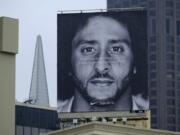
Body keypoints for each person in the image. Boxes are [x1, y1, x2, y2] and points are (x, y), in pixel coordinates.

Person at [58, 14, 149, 112]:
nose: (101, 67)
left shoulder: (156, 122)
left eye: (116, 49)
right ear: (68, 59)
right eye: (88, 49)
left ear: (136, 59)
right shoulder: (49, 123)